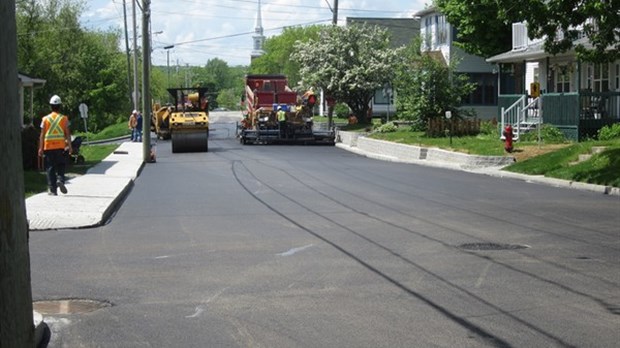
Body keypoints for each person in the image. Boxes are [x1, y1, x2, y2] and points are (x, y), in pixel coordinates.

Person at [38, 95, 71, 195]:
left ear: (51, 106)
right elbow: (68, 133)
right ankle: (60, 180)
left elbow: (42, 135)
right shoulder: (64, 119)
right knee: (61, 165)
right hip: (60, 146)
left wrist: (40, 148)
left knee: (50, 168)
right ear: (60, 106)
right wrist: (70, 146)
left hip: (48, 147)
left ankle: (52, 190)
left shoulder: (45, 119)